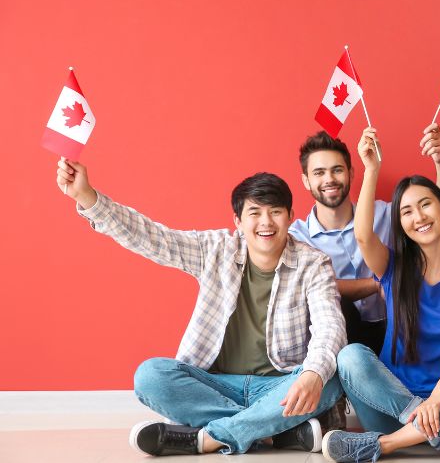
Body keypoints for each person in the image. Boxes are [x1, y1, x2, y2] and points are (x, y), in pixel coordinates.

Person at [55, 158, 346, 456]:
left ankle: (207, 437)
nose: (265, 223)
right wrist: (87, 197)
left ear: (290, 217)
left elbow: (330, 326)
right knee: (150, 376)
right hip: (215, 384)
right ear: (238, 221)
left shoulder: (313, 263)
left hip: (279, 387)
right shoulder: (216, 249)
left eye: (275, 212)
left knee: (332, 376)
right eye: (254, 213)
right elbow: (151, 238)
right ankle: (274, 432)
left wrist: (312, 374)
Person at [321, 129, 440, 463]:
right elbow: (363, 236)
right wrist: (371, 168)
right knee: (350, 357)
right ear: (400, 222)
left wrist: (439, 400)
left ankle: (383, 445)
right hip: (388, 404)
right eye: (407, 211)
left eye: (425, 205)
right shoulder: (394, 266)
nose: (418, 217)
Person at [290, 124, 440, 355]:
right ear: (306, 180)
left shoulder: (386, 214)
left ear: (351, 173)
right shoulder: (297, 237)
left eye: (337, 170)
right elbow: (310, 287)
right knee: (337, 303)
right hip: (338, 336)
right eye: (319, 172)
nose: (329, 179)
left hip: (399, 324)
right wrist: (381, 283)